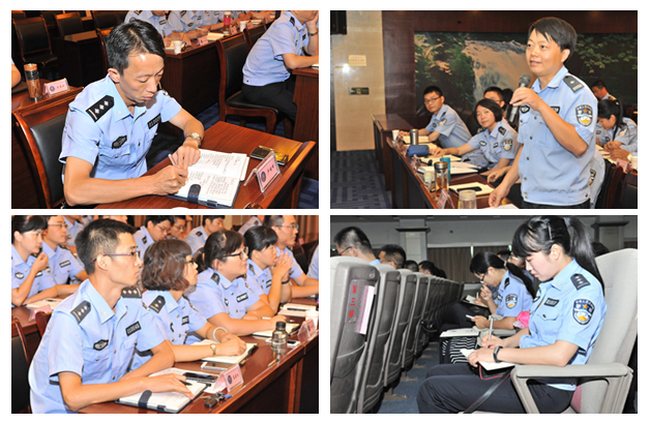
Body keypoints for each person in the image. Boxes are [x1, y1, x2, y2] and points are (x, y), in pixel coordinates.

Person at [417, 216, 606, 413]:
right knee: (436, 372)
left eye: (530, 260)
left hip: (546, 387)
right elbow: (533, 329)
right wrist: (505, 343)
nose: (528, 268)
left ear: (555, 251)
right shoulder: (550, 284)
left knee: (431, 391)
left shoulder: (583, 290)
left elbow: (560, 356)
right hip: (528, 371)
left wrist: (497, 354)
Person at [28, 219, 191, 413]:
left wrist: (128, 381)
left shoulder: (132, 303)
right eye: (131, 254)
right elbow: (73, 397)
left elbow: (165, 354)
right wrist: (142, 383)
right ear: (103, 262)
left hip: (109, 402)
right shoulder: (70, 318)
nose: (139, 262)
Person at [59, 19, 204, 206]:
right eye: (143, 80)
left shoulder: (152, 95)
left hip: (142, 190)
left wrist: (192, 141)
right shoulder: (88, 112)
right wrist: (152, 184)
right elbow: (74, 192)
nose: (153, 87)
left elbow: (192, 123)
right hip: (101, 200)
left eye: (159, 75)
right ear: (115, 74)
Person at [489, 17, 597, 209]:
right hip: (531, 196)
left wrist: (540, 105)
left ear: (564, 54)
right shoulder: (532, 92)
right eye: (530, 45)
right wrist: (505, 185)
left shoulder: (577, 93)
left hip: (563, 202)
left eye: (543, 47)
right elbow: (527, 147)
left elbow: (579, 145)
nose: (533, 53)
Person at [131, 239, 246, 369]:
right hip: (150, 374)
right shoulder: (149, 306)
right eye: (190, 262)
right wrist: (218, 349)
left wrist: (223, 335)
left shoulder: (180, 301)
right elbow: (168, 352)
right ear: (173, 268)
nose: (196, 266)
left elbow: (207, 329)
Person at [185, 230, 285, 336]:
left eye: (244, 251)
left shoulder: (238, 279)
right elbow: (227, 328)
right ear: (219, 264)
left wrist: (255, 314)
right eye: (239, 254)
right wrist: (269, 324)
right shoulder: (203, 286)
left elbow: (267, 309)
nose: (246, 257)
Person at [242, 10, 319, 121]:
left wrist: (312, 26)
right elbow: (292, 63)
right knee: (304, 112)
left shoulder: (300, 24)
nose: (315, 9)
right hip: (259, 85)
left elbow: (313, 52)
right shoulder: (283, 25)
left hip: (281, 79)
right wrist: (319, 58)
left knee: (312, 100)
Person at [429, 99, 519, 179]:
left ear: (495, 113)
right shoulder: (484, 134)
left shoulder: (507, 134)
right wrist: (445, 151)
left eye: (486, 112)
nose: (482, 117)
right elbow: (459, 151)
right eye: (478, 114)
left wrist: (478, 177)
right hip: (492, 171)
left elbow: (501, 167)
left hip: (507, 176)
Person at [468, 251, 535, 330]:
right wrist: (489, 299)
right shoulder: (503, 284)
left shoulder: (512, 286)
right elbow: (498, 314)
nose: (484, 283)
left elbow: (510, 324)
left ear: (491, 270)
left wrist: (485, 323)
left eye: (482, 278)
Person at [400, 86, 472, 150]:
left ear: (442, 99)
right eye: (427, 101)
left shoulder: (449, 114)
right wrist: (408, 134)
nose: (430, 103)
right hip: (453, 153)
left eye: (433, 99)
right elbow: (426, 131)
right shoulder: (436, 115)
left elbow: (432, 137)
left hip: (467, 154)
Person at [265, 215, 319, 298]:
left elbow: (303, 280)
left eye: (295, 226)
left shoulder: (286, 252)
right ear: (275, 229)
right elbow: (284, 292)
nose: (296, 231)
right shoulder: (266, 254)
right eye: (291, 226)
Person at [243, 226, 293, 312]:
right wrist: (277, 276)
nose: (275, 251)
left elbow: (285, 299)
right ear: (256, 254)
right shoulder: (247, 274)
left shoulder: (267, 267)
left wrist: (284, 279)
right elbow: (271, 308)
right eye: (271, 248)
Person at [12, 216, 57, 307]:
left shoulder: (34, 260)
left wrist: (29, 300)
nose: (40, 240)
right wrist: (34, 270)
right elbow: (17, 299)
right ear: (18, 236)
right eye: (36, 234)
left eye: (41, 234)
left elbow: (52, 290)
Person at [42, 215, 88, 285]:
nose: (65, 230)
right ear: (44, 230)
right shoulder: (36, 255)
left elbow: (81, 274)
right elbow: (48, 288)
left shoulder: (64, 252)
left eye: (65, 226)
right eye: (59, 225)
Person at [124, 10, 190, 47]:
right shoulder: (136, 15)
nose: (167, 12)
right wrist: (159, 43)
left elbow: (169, 35)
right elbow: (132, 44)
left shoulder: (161, 14)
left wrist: (181, 36)